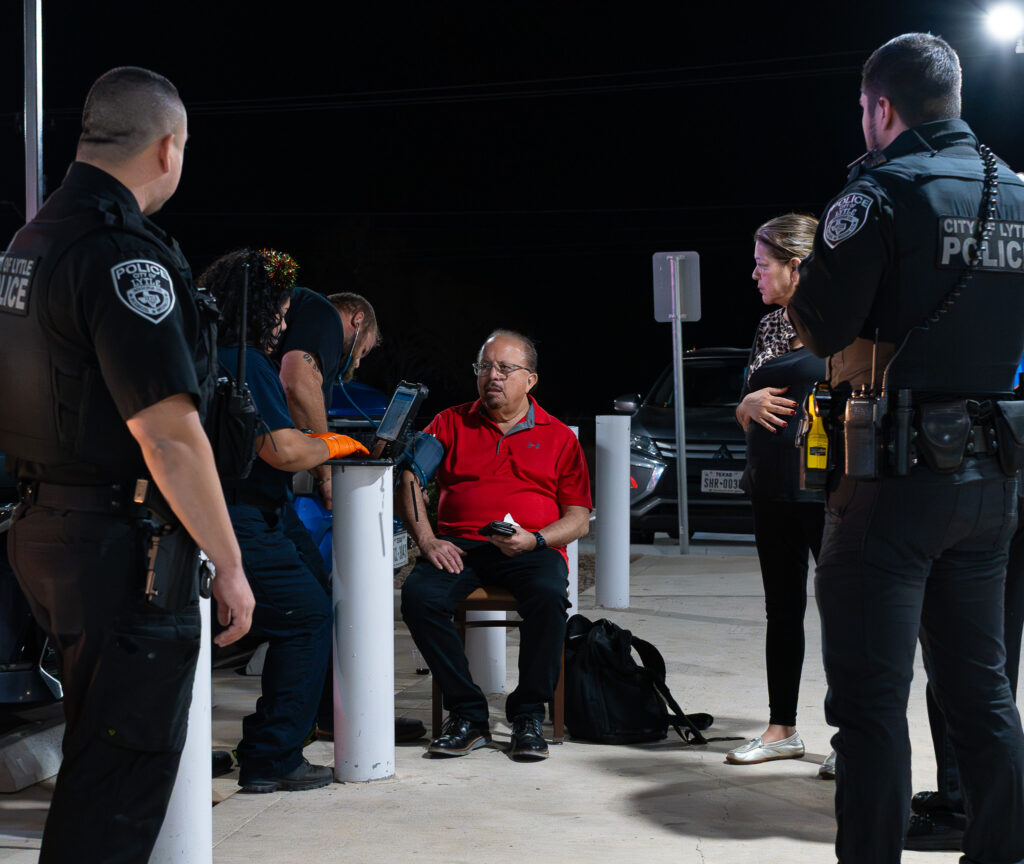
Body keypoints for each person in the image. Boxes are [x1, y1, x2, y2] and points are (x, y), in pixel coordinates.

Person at [0, 67, 255, 863]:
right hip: (123, 548)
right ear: (169, 147)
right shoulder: (122, 256)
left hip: (47, 529)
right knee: (116, 796)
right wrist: (230, 563)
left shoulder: (32, 241)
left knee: (94, 772)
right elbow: (168, 435)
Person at [787, 33, 1024, 863]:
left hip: (892, 477)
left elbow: (821, 325)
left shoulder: (879, 191)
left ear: (881, 107)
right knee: (984, 693)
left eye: (865, 109)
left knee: (871, 704)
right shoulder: (1017, 192)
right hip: (994, 478)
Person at [199, 248, 368, 793]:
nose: (281, 323)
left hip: (247, 510)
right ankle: (272, 758)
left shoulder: (203, 353)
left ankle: (276, 737)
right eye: (277, 311)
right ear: (257, 308)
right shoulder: (244, 362)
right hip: (242, 515)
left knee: (313, 591)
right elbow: (283, 450)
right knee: (306, 617)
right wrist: (337, 445)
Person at [398, 330, 592, 760]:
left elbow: (578, 519)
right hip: (459, 546)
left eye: (505, 368)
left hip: (530, 547)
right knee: (419, 597)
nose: (493, 376)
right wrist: (427, 539)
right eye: (485, 366)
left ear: (531, 380)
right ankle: (468, 714)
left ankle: (528, 714)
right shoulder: (449, 423)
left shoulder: (560, 437)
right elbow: (411, 476)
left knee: (548, 597)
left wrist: (536, 539)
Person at [274, 289, 424, 742]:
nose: (357, 360)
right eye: (365, 348)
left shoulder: (296, 325)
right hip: (260, 498)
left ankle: (319, 715)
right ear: (358, 321)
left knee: (311, 603)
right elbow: (298, 379)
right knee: (309, 605)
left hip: (268, 491)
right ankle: (294, 728)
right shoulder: (321, 314)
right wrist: (325, 470)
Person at [726, 214, 828, 771]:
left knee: (844, 615)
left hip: (827, 491)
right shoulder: (770, 325)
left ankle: (850, 736)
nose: (754, 274)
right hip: (770, 489)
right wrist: (744, 404)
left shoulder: (843, 322)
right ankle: (781, 728)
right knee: (781, 611)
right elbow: (747, 397)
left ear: (796, 265)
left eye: (763, 265)